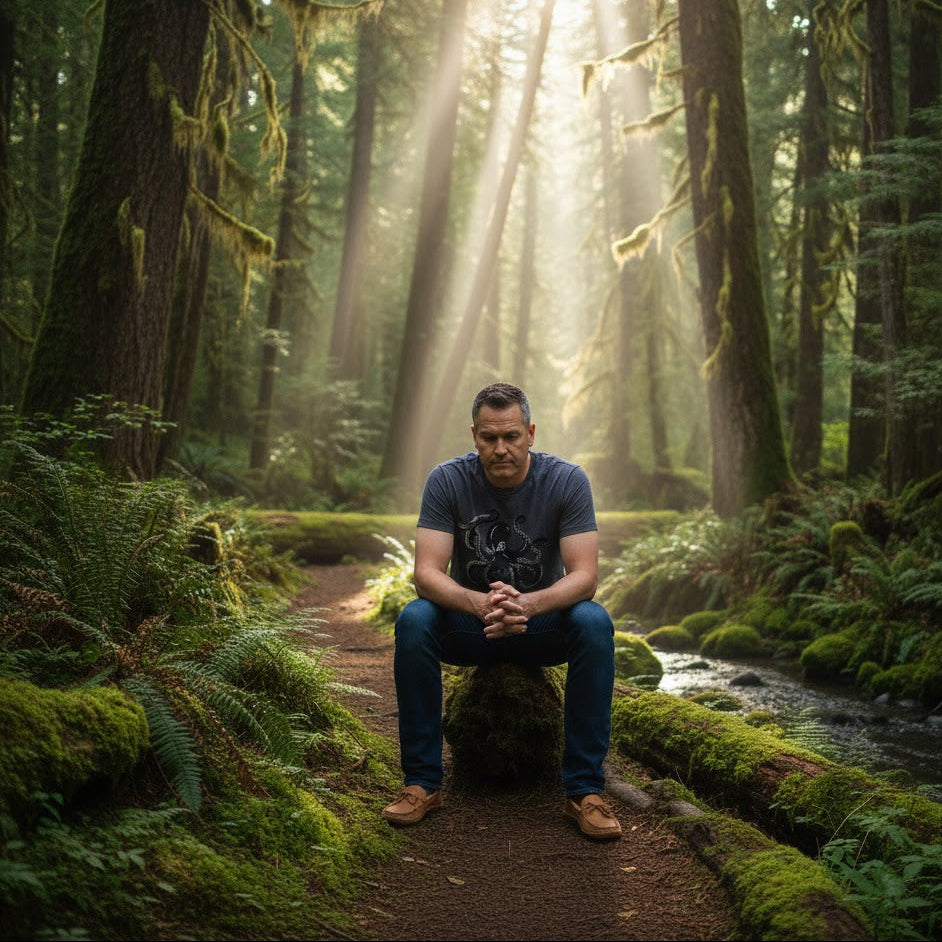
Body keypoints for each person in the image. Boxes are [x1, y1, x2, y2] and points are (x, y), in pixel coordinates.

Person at [381, 382, 621, 840]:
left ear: (530, 432)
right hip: (472, 626)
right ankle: (422, 783)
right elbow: (427, 574)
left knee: (594, 621)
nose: (501, 448)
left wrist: (527, 604)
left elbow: (584, 577)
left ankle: (585, 792)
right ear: (474, 436)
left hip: (538, 625)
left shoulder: (567, 481)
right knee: (414, 619)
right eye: (489, 438)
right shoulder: (447, 480)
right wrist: (478, 603)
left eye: (511, 436)